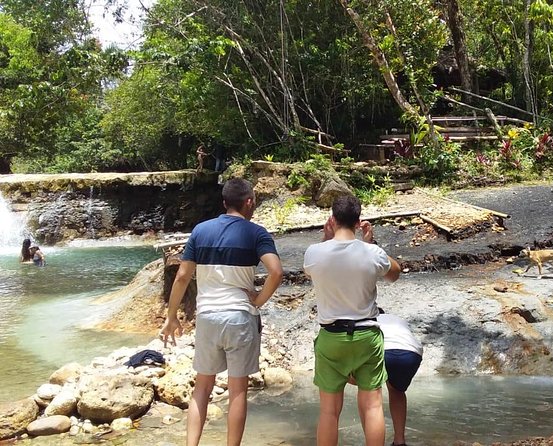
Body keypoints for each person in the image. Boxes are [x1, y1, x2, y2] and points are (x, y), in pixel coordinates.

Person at [160, 178, 283, 446]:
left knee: (202, 388)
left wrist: (171, 316)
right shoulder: (256, 233)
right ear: (249, 202)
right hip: (239, 316)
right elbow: (276, 272)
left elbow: (182, 276)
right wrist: (258, 300)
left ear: (224, 202)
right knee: (237, 391)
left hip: (207, 317)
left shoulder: (201, 231)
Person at [304, 195, 401, 446]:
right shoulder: (372, 253)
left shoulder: (314, 253)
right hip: (366, 335)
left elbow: (314, 266)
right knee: (372, 407)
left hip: (331, 337)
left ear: (332, 219)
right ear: (359, 222)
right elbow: (395, 274)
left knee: (328, 411)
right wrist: (372, 244)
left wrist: (326, 239)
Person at [377, 309, 423, 446]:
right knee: (397, 391)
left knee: (371, 394)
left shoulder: (368, 319)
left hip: (384, 350)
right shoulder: (397, 319)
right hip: (412, 353)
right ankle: (399, 441)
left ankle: (374, 442)